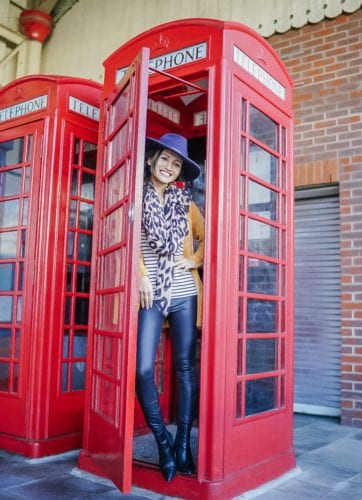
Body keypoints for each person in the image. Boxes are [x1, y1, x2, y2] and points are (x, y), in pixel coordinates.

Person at [136, 133, 204, 482]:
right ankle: (163, 440)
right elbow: (124, 236)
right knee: (142, 371)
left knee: (185, 367)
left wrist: (192, 259)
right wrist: (140, 273)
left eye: (176, 164)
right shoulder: (135, 197)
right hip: (150, 293)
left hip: (183, 292)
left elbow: (207, 238)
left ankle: (182, 443)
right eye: (165, 159)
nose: (169, 166)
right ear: (151, 160)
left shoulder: (186, 202)